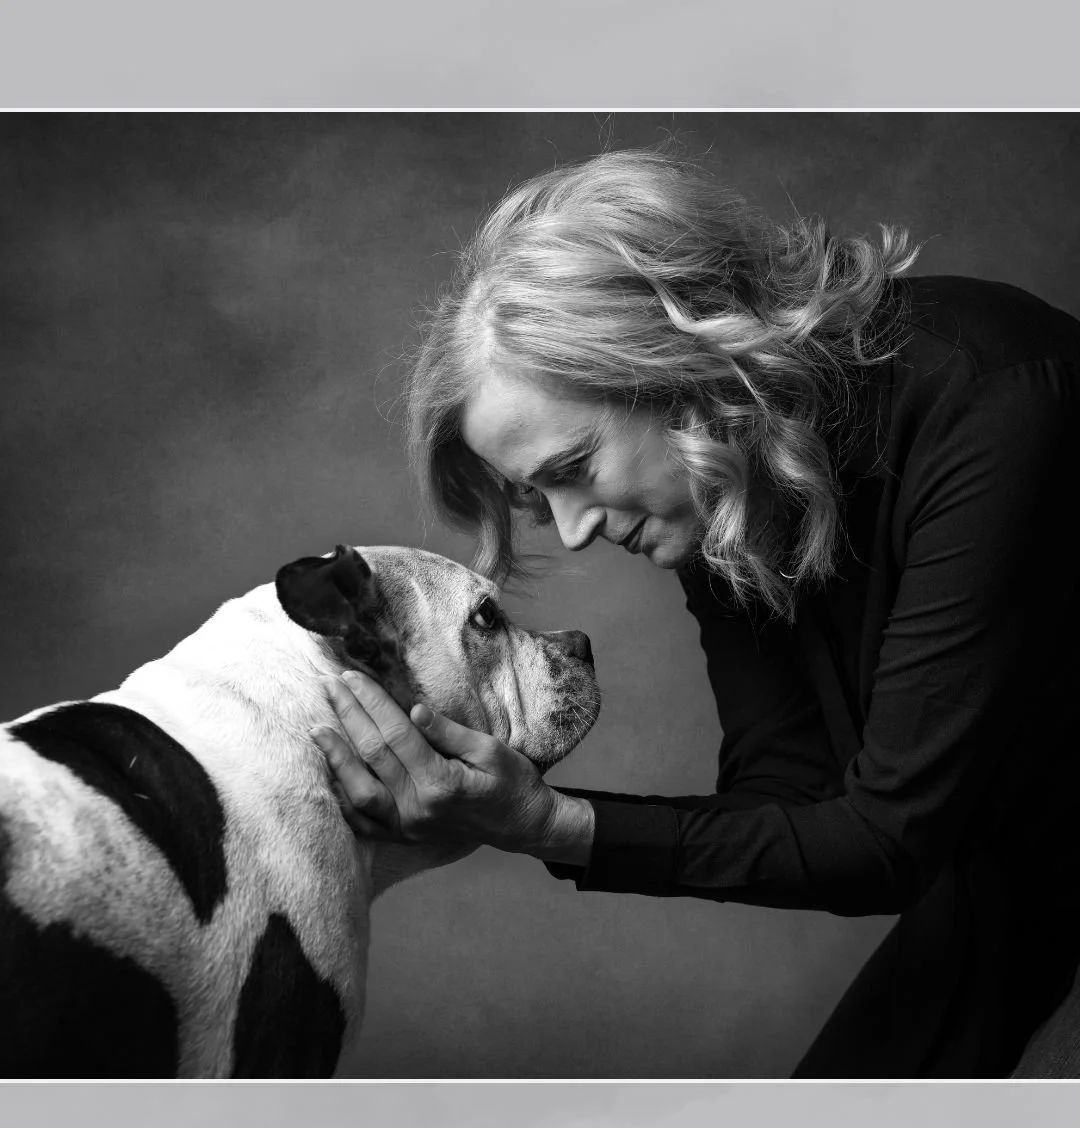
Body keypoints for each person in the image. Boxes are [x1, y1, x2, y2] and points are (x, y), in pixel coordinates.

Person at [309, 147, 1080, 1078]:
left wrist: (544, 822)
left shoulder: (995, 404)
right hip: (1018, 875)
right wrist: (519, 809)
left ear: (680, 369)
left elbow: (886, 839)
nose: (574, 530)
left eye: (571, 471)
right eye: (534, 500)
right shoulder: (729, 476)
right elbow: (792, 801)